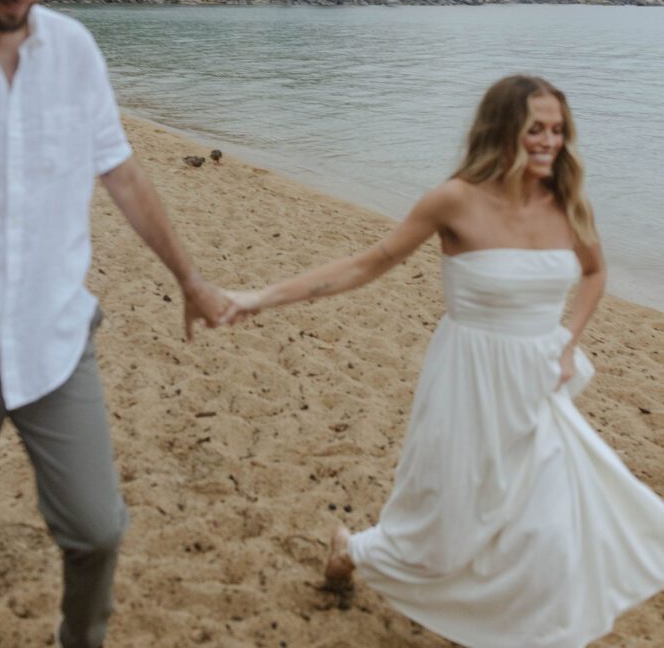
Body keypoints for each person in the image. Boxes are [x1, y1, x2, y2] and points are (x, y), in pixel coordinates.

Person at [223, 74, 664, 648]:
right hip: (468, 380)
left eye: (558, 130)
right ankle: (353, 549)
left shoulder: (568, 201)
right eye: (536, 129)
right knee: (446, 528)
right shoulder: (454, 200)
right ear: (503, 129)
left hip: (538, 383)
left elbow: (596, 272)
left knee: (552, 529)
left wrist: (570, 340)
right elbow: (365, 265)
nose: (549, 142)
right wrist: (258, 298)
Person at [0, 0, 228, 648]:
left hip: (54, 338)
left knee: (97, 531)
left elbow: (121, 173)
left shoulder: (74, 52)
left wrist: (189, 278)